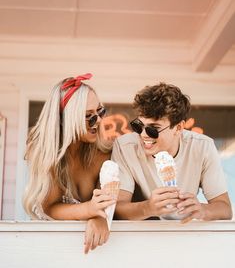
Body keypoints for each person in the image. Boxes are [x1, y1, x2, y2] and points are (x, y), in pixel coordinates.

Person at [111, 82, 232, 222]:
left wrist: (202, 210)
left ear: (179, 128)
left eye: (153, 129)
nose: (143, 135)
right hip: (142, 232)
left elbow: (225, 208)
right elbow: (117, 209)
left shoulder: (202, 147)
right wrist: (148, 208)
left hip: (184, 231)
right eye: (138, 126)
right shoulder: (125, 147)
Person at [23, 73, 116, 253]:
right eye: (89, 116)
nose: (98, 121)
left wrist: (99, 217)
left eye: (100, 111)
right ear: (64, 120)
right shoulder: (45, 152)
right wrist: (90, 210)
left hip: (99, 249)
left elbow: (110, 204)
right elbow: (50, 208)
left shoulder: (103, 152)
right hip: (52, 245)